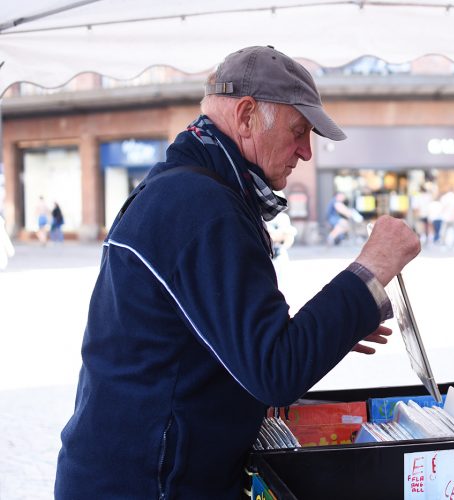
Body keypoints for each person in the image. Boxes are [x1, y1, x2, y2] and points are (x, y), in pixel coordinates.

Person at [55, 46, 421, 499]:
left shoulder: (188, 186)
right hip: (146, 485)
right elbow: (274, 371)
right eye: (299, 131)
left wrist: (333, 327)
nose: (306, 152)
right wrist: (374, 265)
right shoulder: (201, 205)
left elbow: (236, 344)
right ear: (246, 116)